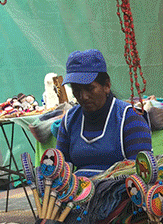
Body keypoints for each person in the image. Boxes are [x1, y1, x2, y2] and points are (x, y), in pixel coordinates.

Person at [57, 49, 152, 177]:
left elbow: (142, 173)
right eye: (77, 89)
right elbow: (60, 169)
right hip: (79, 193)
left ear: (106, 86)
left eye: (90, 88)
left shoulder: (130, 119)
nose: (83, 96)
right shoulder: (69, 120)